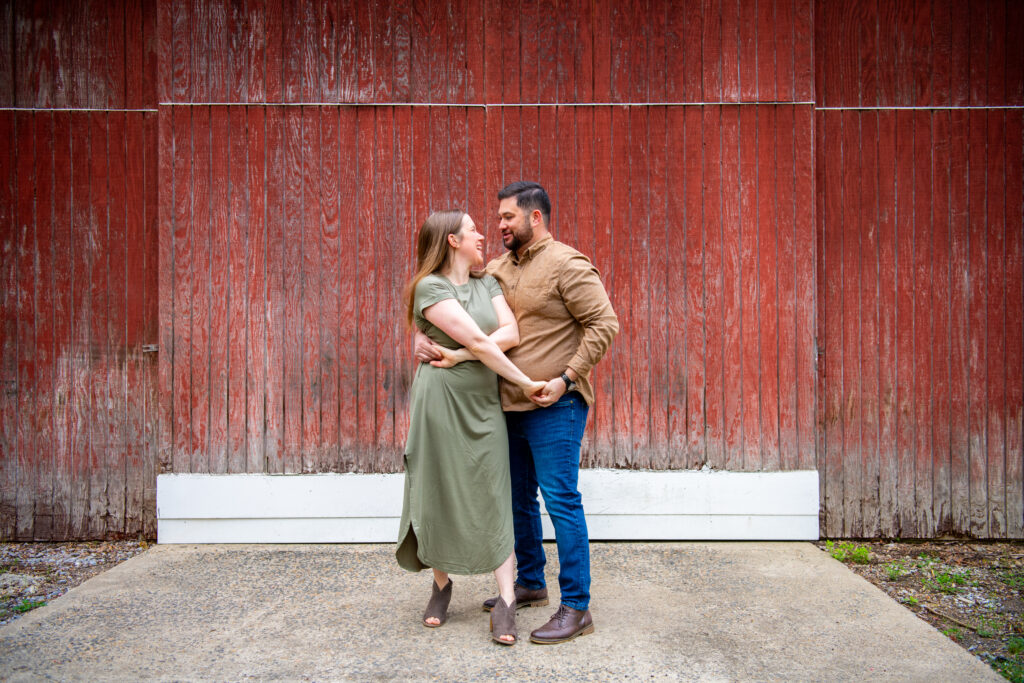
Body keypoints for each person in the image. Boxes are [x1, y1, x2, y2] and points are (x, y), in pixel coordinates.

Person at [415, 182, 619, 644]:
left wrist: (566, 378)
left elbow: (605, 324)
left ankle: (577, 606)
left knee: (561, 501)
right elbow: (456, 305)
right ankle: (530, 582)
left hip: (555, 405)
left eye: (508, 217)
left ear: (535, 218)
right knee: (517, 501)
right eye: (498, 217)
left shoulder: (567, 264)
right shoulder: (497, 270)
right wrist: (419, 336)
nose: (500, 225)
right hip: (503, 405)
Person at [396, 209, 546, 646]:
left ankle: (506, 599)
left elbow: (509, 333)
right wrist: (525, 381)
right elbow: (483, 340)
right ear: (451, 241)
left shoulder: (487, 282)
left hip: (482, 402)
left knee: (493, 488)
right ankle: (441, 584)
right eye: (472, 230)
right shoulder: (430, 286)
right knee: (438, 485)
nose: (483, 235)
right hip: (440, 400)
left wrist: (464, 353)